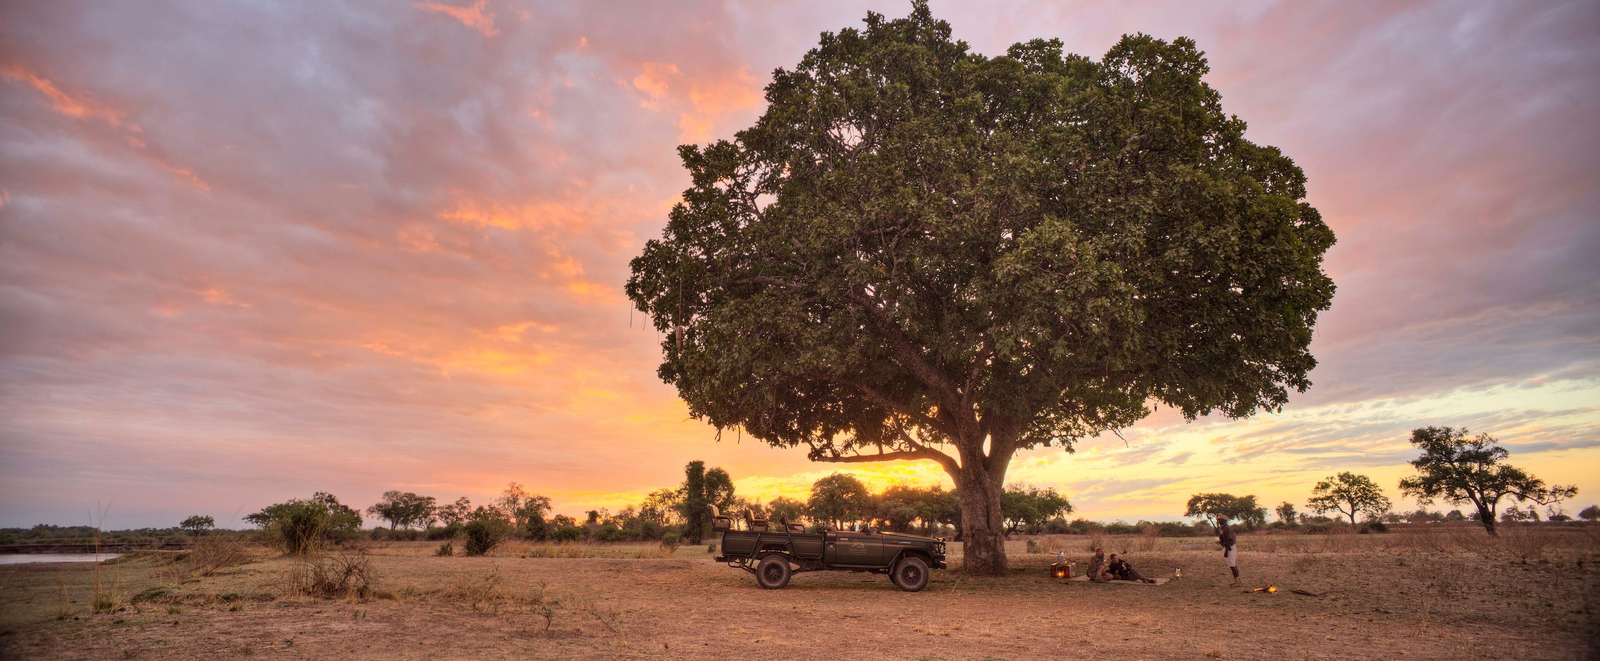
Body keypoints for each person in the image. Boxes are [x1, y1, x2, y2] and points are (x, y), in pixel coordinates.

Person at [1216, 514, 1241, 588]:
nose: (1218, 521)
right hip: (1228, 547)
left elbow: (1230, 540)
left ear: (1224, 520)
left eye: (1220, 520)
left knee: (1232, 565)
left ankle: (1237, 582)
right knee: (1232, 564)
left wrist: (1226, 551)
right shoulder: (1223, 528)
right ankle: (1237, 581)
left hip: (1230, 547)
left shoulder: (1227, 528)